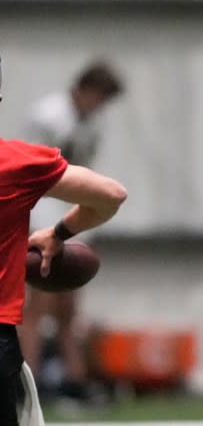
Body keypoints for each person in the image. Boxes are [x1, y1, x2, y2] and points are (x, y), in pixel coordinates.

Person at [0, 54, 128, 425]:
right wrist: (53, 230)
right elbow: (106, 192)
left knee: (68, 310)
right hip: (34, 214)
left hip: (54, 215)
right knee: (32, 309)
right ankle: (37, 376)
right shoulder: (48, 118)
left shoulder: (91, 123)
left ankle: (72, 381)